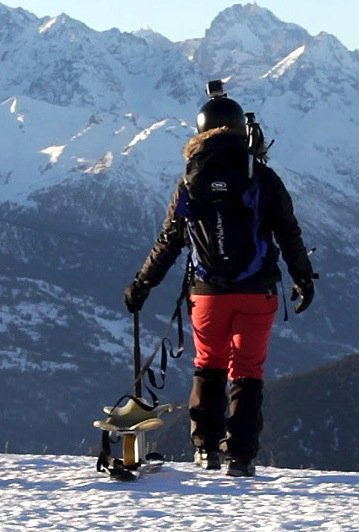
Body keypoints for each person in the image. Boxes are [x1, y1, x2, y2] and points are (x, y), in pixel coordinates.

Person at [123, 82, 315, 477]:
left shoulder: (191, 180)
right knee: (247, 370)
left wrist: (142, 285)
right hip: (257, 291)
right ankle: (241, 457)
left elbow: (170, 241)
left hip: (207, 293)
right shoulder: (261, 176)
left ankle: (206, 449)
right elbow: (288, 232)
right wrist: (302, 279)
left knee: (207, 363)